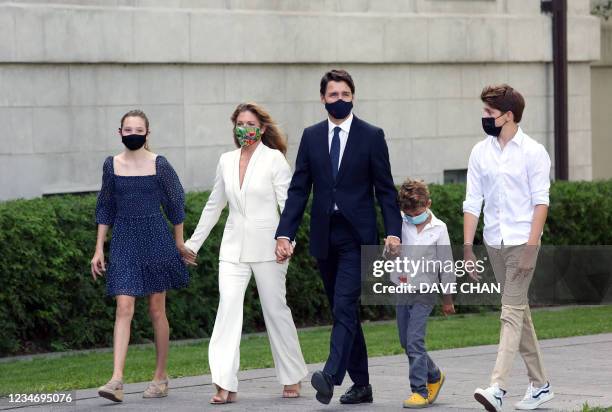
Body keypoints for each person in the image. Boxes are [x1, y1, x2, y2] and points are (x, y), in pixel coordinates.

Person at [274, 69, 402, 405]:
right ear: (323, 99)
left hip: (358, 237)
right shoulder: (312, 136)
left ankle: (330, 375)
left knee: (344, 305)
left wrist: (393, 232)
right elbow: (299, 190)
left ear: (353, 97)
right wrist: (285, 233)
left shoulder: (372, 136)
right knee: (342, 311)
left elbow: (386, 190)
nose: (340, 100)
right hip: (324, 236)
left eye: (346, 94)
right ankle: (362, 384)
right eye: (334, 95)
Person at [182, 102, 308, 404]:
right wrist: (192, 244)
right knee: (227, 309)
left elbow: (289, 206)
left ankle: (292, 376)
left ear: (262, 128)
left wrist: (286, 240)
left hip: (270, 249)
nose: (245, 129)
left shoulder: (275, 159)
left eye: (251, 124)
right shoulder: (225, 160)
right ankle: (224, 383)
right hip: (233, 249)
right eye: (240, 123)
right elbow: (215, 205)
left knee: (275, 311)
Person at [463, 84, 554, 411]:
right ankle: (541, 385)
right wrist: (468, 247)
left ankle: (497, 388)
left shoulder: (533, 151)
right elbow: (473, 201)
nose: (484, 117)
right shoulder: (480, 152)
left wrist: (531, 247)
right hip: (494, 242)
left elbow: (541, 203)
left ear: (508, 116)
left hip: (521, 242)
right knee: (520, 312)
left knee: (510, 313)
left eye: (489, 112)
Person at [91, 109, 190, 403]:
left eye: (138, 129)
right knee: (123, 307)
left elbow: (176, 203)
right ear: (119, 132)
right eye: (128, 129)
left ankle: (160, 377)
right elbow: (105, 207)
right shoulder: (112, 165)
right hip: (123, 241)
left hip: (155, 239)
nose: (133, 133)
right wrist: (99, 248)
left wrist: (179, 242)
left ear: (148, 133)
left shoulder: (160, 164)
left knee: (157, 309)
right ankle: (116, 380)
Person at [391, 178, 455, 408]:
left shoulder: (439, 228)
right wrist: (389, 251)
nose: (411, 216)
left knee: (415, 341)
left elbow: (446, 264)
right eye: (407, 212)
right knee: (405, 342)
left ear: (428, 203)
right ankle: (435, 375)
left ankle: (419, 390)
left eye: (415, 211)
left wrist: (447, 299)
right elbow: (388, 257)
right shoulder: (399, 223)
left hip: (425, 291)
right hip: (403, 288)